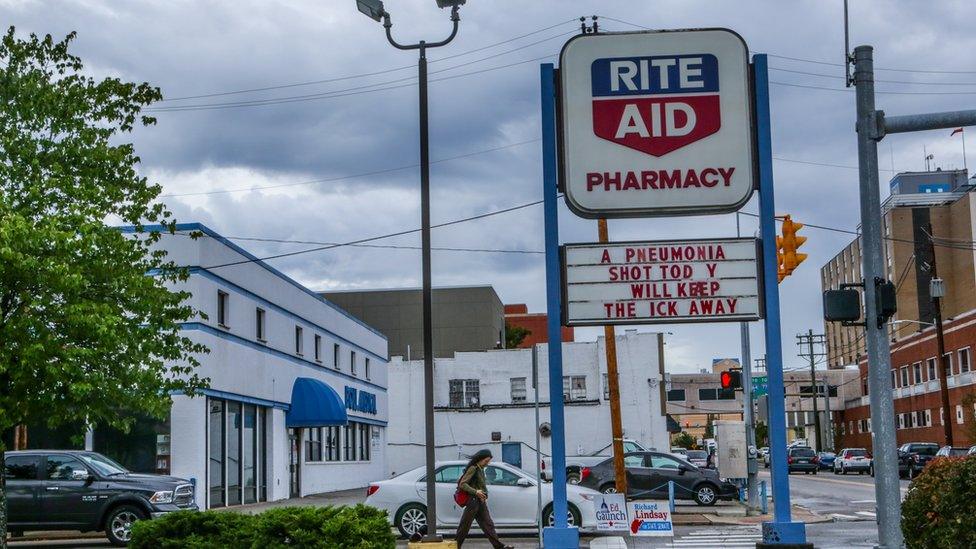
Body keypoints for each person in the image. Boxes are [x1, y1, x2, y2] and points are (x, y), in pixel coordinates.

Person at [455, 449, 513, 549]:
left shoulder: (480, 469)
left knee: (488, 524)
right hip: (472, 501)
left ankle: (499, 546)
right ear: (480, 459)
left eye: (488, 461)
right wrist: (476, 492)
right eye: (486, 461)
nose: (487, 463)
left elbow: (481, 486)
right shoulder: (473, 468)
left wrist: (484, 495)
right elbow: (462, 484)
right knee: (465, 526)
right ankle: (455, 546)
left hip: (480, 501)